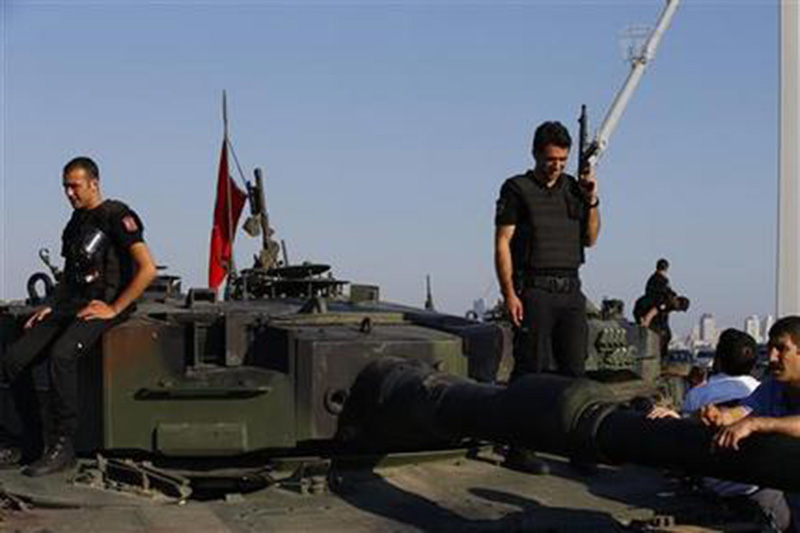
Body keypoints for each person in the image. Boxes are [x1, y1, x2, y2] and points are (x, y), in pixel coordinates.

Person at [0, 156, 157, 477]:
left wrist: (114, 308)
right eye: (65, 187)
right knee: (14, 359)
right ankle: (29, 441)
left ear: (94, 183)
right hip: (73, 303)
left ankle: (63, 447)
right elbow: (71, 275)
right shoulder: (75, 223)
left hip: (107, 305)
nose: (69, 193)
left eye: (75, 186)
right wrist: (51, 304)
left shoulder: (118, 216)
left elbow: (148, 269)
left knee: (62, 355)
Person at [494, 121, 600, 474]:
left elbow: (592, 239)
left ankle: (577, 448)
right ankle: (519, 448)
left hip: (571, 289)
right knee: (531, 369)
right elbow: (502, 244)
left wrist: (592, 199)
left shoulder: (575, 189)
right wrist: (510, 294)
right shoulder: (516, 189)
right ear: (536, 154)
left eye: (563, 159)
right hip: (535, 289)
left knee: (576, 371)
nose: (557, 165)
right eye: (551, 158)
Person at [699, 317, 800, 531]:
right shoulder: (772, 388)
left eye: (782, 349)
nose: (772, 357)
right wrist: (720, 416)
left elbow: (756, 421)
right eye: (770, 348)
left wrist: (756, 424)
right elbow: (742, 411)